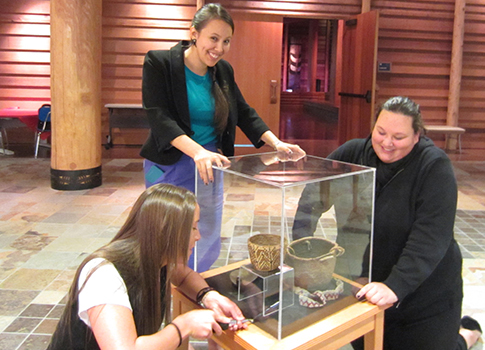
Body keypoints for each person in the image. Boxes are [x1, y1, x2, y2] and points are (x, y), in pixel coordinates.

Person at [292, 96, 481, 349]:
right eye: (380, 132)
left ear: (417, 135)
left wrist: (396, 285)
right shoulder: (353, 152)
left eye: (399, 137)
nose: (387, 143)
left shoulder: (434, 166)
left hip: (424, 286)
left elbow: (431, 236)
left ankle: (468, 335)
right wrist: (300, 249)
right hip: (369, 281)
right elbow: (312, 198)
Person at [140, 3, 305, 272]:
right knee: (169, 232)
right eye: (213, 38)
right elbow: (159, 117)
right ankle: (164, 289)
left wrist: (276, 142)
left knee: (205, 228)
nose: (219, 48)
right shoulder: (159, 62)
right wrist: (196, 152)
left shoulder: (223, 70)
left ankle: (198, 285)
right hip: (173, 160)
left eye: (226, 41)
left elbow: (242, 110)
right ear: (194, 33)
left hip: (210, 161)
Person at [47, 184, 248, 350]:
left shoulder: (156, 256)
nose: (198, 236)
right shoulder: (104, 274)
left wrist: (208, 295)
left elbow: (184, 276)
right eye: (192, 227)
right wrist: (183, 326)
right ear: (166, 231)